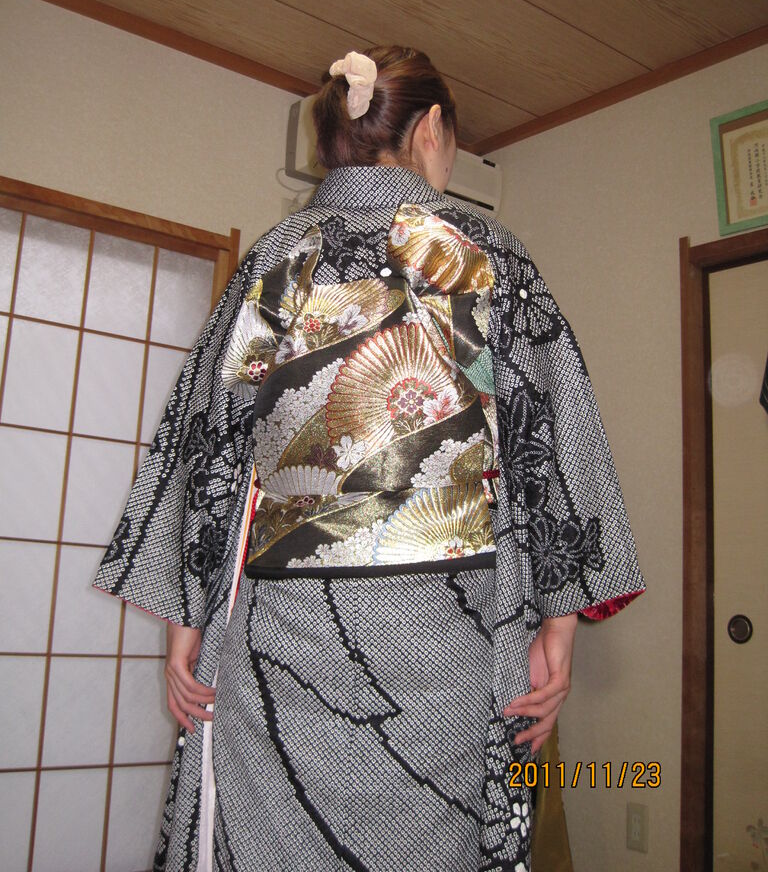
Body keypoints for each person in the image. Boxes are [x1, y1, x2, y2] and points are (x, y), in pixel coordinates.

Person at [94, 45, 645, 872]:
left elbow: (211, 442)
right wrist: (559, 622)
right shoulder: (483, 253)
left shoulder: (277, 257)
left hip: (284, 635)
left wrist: (187, 621)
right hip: (450, 629)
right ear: (430, 129)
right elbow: (551, 433)